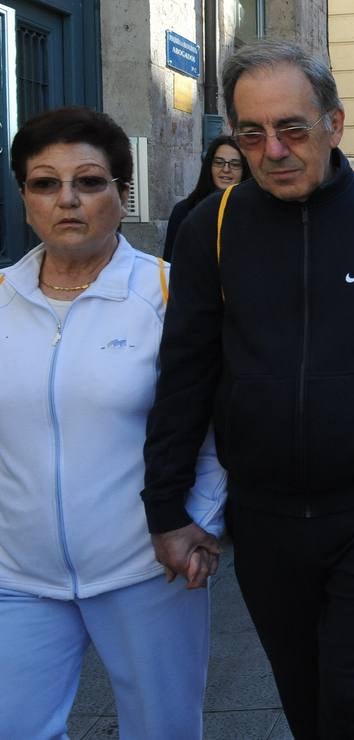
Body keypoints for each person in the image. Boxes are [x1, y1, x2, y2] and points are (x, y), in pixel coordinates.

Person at [141, 40, 354, 739]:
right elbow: (185, 373)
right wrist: (166, 509)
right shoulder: (209, 228)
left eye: (292, 128)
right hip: (265, 515)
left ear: (334, 123)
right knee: (305, 696)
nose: (272, 149)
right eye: (251, 133)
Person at [0, 107, 227, 739]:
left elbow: (216, 426)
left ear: (123, 196)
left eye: (90, 182)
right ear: (24, 198)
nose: (66, 200)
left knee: (162, 730)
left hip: (147, 567)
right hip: (16, 576)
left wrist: (199, 521)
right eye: (45, 183)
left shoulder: (169, 295)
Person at [163, 135, 251, 259]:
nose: (226, 169)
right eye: (219, 163)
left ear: (244, 170)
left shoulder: (252, 212)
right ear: (209, 167)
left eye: (235, 164)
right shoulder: (184, 211)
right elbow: (170, 263)